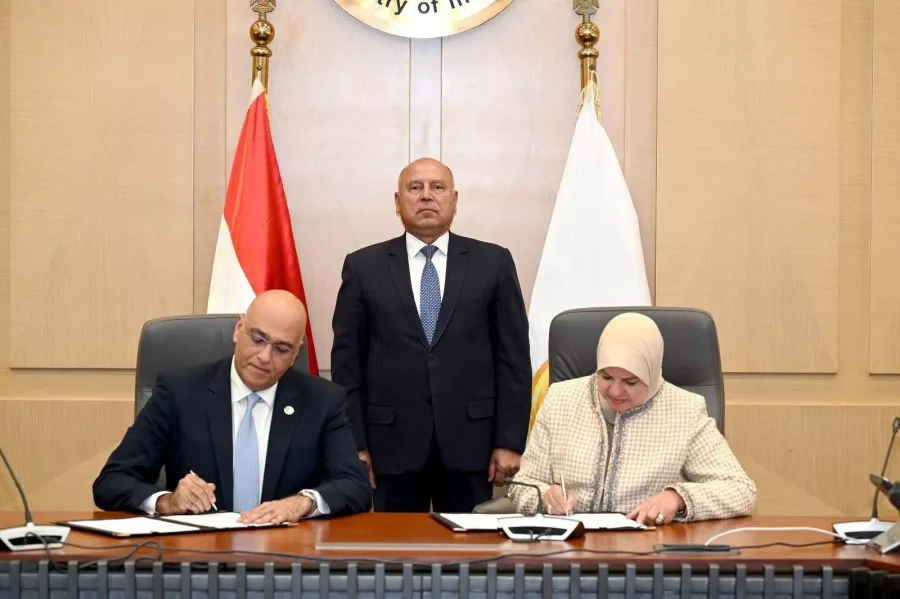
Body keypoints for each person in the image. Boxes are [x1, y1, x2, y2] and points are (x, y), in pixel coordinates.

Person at [331, 157, 531, 513]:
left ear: (454, 200)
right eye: (415, 187)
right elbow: (347, 366)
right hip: (390, 446)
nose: (426, 196)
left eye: (437, 187)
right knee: (396, 547)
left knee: (470, 546)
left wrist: (509, 441)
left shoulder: (494, 263)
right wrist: (355, 445)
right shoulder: (363, 267)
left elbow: (512, 359)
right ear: (398, 202)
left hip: (472, 444)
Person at [93, 290, 371, 523]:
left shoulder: (322, 400)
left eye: (281, 348)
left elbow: (355, 486)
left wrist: (302, 503)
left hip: (286, 556)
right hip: (199, 556)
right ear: (239, 329)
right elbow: (112, 481)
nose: (264, 356)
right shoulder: (179, 392)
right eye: (258, 339)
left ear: (295, 353)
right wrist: (167, 502)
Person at [509, 312, 757, 524]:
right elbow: (522, 485)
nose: (615, 391)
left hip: (646, 549)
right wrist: (544, 497)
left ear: (651, 373)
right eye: (606, 377)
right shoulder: (560, 399)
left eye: (630, 382)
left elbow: (741, 491)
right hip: (569, 548)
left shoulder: (685, 411)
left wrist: (678, 498)